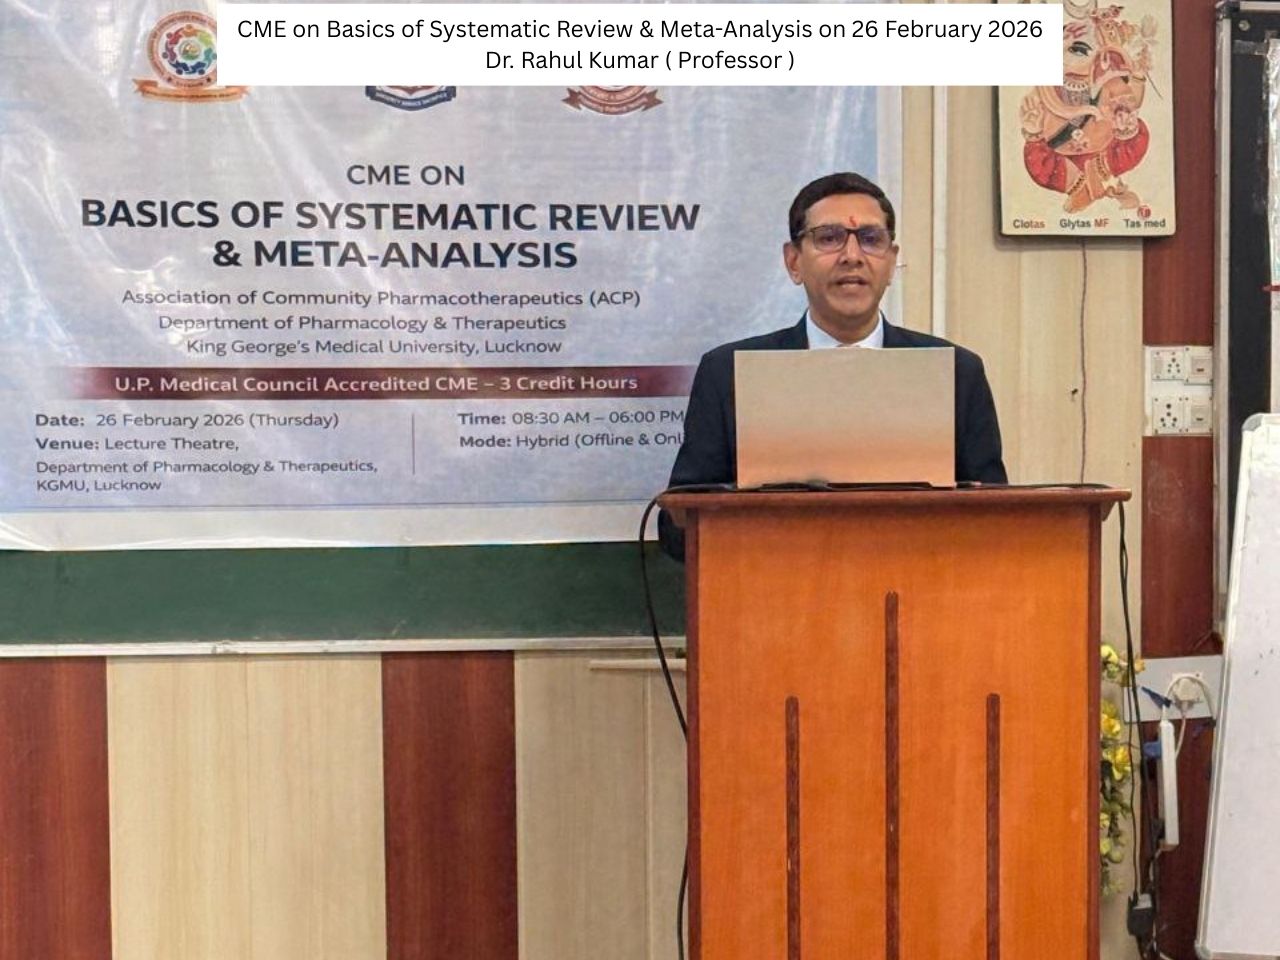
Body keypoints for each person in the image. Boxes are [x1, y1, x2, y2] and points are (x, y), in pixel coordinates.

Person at [658, 171, 1007, 560]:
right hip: (777, 587)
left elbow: (995, 524)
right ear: (794, 261)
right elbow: (678, 531)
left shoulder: (957, 372)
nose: (852, 256)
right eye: (829, 238)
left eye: (870, 239)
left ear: (892, 261)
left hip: (918, 586)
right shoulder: (728, 372)